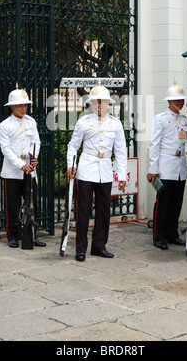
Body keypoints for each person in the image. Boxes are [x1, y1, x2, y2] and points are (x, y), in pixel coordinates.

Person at [67, 84, 127, 262]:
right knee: (83, 211)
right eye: (95, 102)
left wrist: (122, 175)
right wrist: (71, 164)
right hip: (87, 169)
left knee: (103, 211)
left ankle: (99, 246)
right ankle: (80, 248)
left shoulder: (115, 124)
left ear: (108, 103)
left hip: (106, 171)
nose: (98, 105)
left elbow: (121, 151)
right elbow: (73, 146)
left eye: (101, 101)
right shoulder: (84, 122)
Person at [147, 81, 187, 250]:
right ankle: (159, 236)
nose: (180, 102)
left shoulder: (184, 119)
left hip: (180, 166)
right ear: (169, 101)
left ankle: (172, 234)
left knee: (176, 202)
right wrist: (153, 168)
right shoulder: (161, 119)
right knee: (163, 203)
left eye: (181, 99)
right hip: (165, 166)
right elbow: (154, 145)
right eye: (176, 99)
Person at [0, 86, 46, 249]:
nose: (23, 108)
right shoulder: (4, 125)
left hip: (30, 170)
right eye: (19, 105)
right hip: (13, 171)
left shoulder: (31, 122)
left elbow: (36, 142)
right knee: (12, 205)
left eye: (25, 105)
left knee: (32, 204)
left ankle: (31, 235)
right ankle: (12, 236)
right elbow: (6, 150)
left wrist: (34, 158)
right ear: (11, 106)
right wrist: (21, 165)